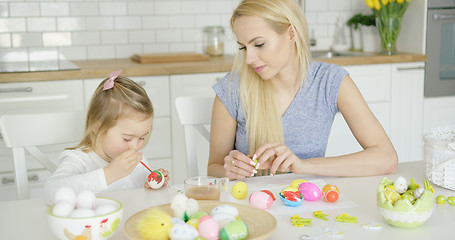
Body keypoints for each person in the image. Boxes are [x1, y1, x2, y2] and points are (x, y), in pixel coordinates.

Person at [208, 0, 398, 180]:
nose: (249, 58)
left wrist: (303, 166)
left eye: (258, 44)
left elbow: (386, 159)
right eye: (243, 47)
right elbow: (213, 167)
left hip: (310, 207)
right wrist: (229, 169)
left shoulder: (329, 81)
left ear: (291, 34)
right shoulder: (233, 88)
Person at [44, 70, 169, 205]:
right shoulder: (81, 160)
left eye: (142, 138)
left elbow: (141, 201)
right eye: (127, 139)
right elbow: (51, 192)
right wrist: (109, 174)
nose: (135, 146)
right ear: (98, 128)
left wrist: (153, 186)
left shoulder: (138, 161)